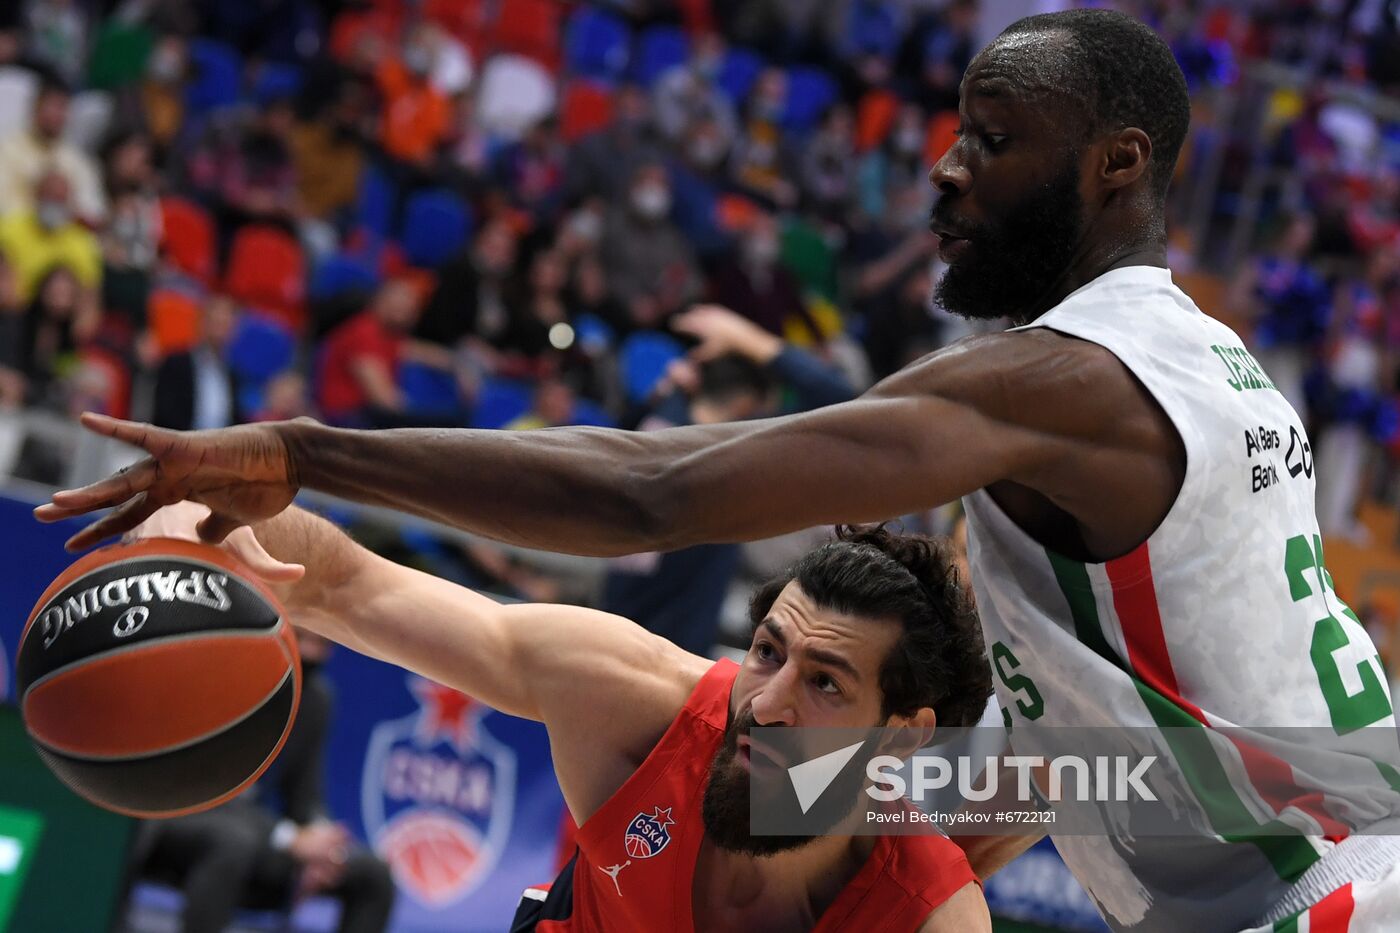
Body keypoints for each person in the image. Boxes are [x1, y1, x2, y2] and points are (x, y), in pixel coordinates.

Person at [37, 10, 1400, 932]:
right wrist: (317, 570)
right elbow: (1110, 754)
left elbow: (659, 492)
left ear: (1117, 165)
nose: (944, 166)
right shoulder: (1212, 364)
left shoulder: (1062, 381)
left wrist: (303, 450)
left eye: (992, 140)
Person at [132, 501, 993, 932]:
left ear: (901, 735)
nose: (764, 705)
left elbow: (1111, 777)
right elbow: (354, 587)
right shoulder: (639, 696)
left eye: (826, 685)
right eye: (767, 651)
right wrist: (202, 515)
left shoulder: (930, 906)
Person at [130, 629, 396, 933]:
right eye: (303, 638)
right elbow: (206, 789)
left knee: (372, 874)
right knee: (233, 842)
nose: (311, 652)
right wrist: (289, 839)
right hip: (184, 815)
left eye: (322, 643)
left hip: (263, 833)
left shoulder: (316, 698)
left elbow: (305, 794)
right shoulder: (226, 677)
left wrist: (322, 845)